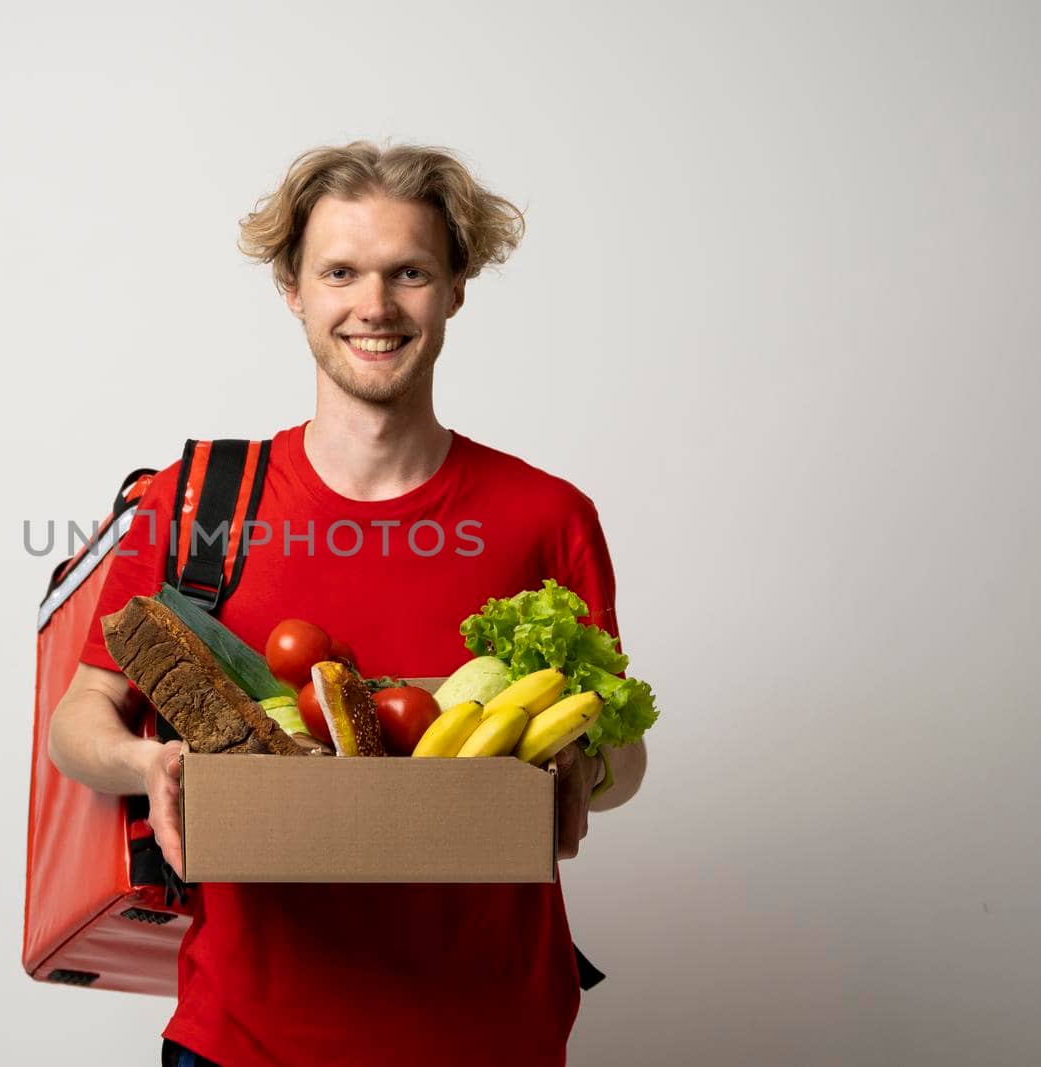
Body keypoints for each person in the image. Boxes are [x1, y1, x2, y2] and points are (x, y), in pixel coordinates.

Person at [48, 140, 649, 1067]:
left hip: (489, 1036)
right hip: (243, 1041)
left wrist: (587, 767)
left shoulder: (546, 516)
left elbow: (627, 754)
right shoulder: (199, 502)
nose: (374, 306)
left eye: (409, 271)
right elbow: (78, 717)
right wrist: (149, 762)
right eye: (341, 272)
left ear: (455, 289)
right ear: (293, 289)